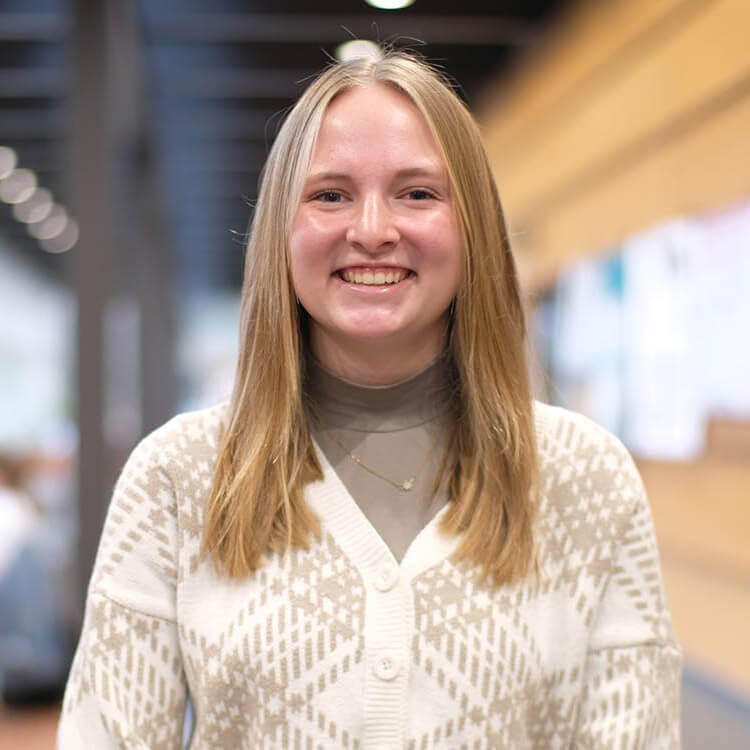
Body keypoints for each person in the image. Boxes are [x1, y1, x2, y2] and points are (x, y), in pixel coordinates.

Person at [57, 51, 681, 748]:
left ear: (471, 224)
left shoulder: (585, 477)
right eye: (330, 195)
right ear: (281, 232)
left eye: (417, 193)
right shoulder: (177, 478)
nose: (374, 229)